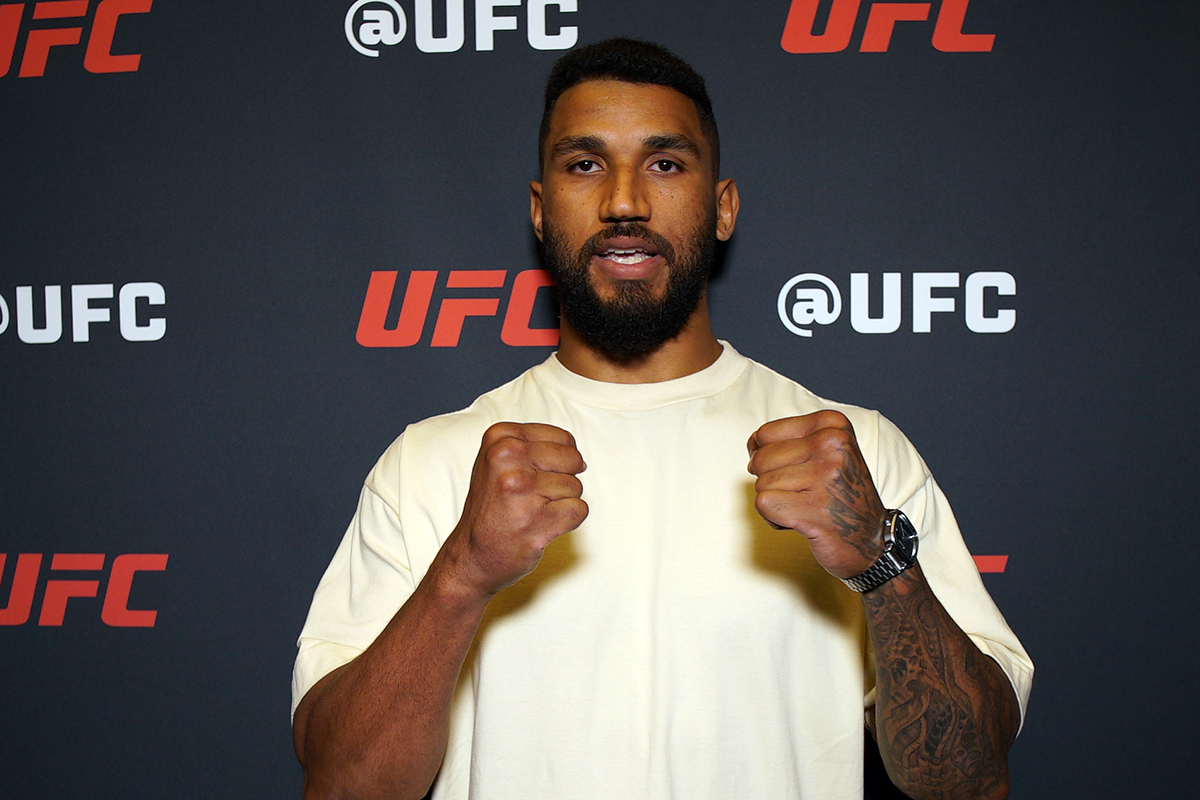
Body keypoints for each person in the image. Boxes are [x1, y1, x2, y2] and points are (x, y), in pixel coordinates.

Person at [291, 38, 1032, 800]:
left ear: (722, 208)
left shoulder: (855, 453)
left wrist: (881, 561)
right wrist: (462, 575)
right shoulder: (429, 464)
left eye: (665, 164)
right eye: (584, 164)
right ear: (540, 212)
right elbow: (345, 786)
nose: (623, 202)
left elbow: (970, 781)